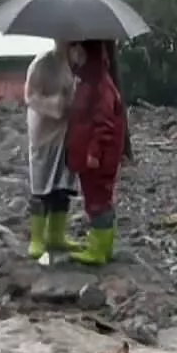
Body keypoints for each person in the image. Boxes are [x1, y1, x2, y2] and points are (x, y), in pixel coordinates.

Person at [64, 39, 126, 266]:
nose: (75, 56)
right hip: (91, 154)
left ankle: (99, 251)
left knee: (98, 201)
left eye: (78, 52)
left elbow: (104, 124)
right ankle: (102, 247)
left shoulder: (100, 84)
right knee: (96, 199)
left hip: (98, 158)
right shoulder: (88, 80)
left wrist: (94, 153)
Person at [23, 40, 80, 257]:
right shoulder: (42, 63)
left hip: (67, 131)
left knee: (63, 184)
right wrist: (56, 104)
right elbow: (30, 96)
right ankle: (37, 238)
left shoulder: (74, 61)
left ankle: (57, 235)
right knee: (41, 183)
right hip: (45, 132)